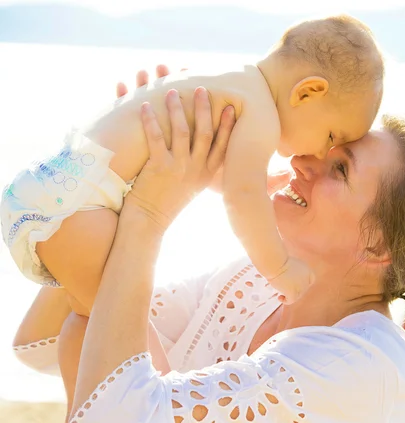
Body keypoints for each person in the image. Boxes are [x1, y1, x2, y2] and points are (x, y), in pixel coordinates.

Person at [13, 68, 405, 422]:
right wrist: (123, 180)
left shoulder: (361, 368)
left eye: (340, 169)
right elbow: (41, 342)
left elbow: (116, 413)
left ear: (379, 248)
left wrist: (149, 215)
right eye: (322, 149)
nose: (300, 160)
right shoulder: (252, 284)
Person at [0, 14, 384, 325]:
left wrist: (251, 179)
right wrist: (279, 268)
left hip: (51, 185)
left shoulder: (227, 79)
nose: (320, 151)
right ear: (307, 92)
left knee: (89, 324)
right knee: (122, 333)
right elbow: (242, 198)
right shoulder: (263, 115)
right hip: (81, 209)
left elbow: (206, 162)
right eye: (331, 135)